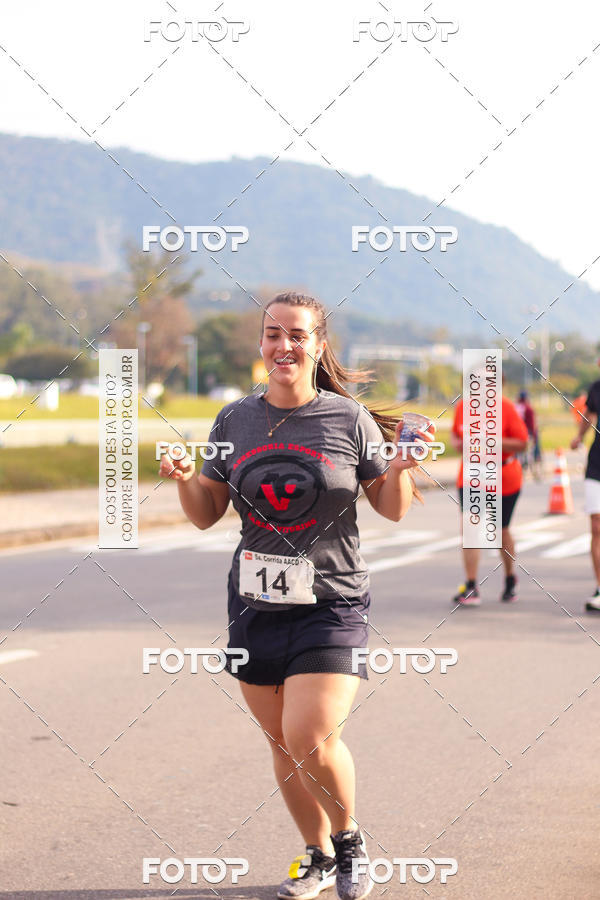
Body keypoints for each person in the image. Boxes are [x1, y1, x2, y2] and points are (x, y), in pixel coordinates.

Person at [159, 291, 434, 900]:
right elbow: (207, 512)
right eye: (273, 334)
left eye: (298, 335)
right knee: (282, 741)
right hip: (255, 603)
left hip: (333, 601)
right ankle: (313, 855)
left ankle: (349, 842)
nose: (285, 345)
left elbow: (388, 509)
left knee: (309, 733)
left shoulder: (348, 420)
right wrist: (183, 481)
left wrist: (402, 469)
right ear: (261, 343)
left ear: (319, 345)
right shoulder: (234, 420)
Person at [450, 388, 528, 605]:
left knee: (501, 530)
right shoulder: (463, 407)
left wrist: (490, 443)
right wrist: (458, 443)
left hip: (504, 477)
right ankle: (471, 585)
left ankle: (510, 578)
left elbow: (522, 443)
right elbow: (456, 435)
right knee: (470, 528)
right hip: (471, 477)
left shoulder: (506, 408)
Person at [570, 364, 600, 613]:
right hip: (596, 466)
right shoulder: (596, 389)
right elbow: (589, 415)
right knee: (596, 526)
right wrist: (579, 437)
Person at [515, 390, 542, 480]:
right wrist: (534, 436)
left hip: (515, 435)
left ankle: (519, 471)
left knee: (518, 455)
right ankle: (534, 473)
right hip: (526, 434)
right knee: (531, 453)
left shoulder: (515, 407)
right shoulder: (528, 408)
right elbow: (531, 424)